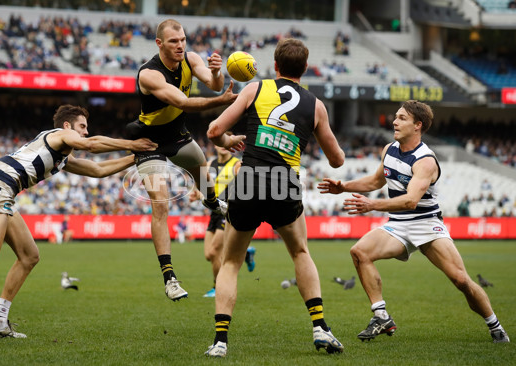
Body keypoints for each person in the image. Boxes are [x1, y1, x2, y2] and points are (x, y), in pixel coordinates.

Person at [0, 104, 158, 344]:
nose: (85, 132)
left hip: (3, 189)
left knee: (29, 256)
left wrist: (137, 157)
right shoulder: (59, 135)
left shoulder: (62, 156)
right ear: (67, 126)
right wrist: (131, 144)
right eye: (82, 127)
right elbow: (92, 145)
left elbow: (97, 169)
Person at [318, 100, 510, 344]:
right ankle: (381, 315)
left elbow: (410, 201)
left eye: (401, 118)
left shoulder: (425, 160)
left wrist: (372, 205)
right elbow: (377, 181)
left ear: (417, 125)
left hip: (426, 224)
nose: (394, 121)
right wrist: (343, 187)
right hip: (398, 225)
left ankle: (495, 326)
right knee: (359, 252)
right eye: (395, 116)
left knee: (461, 280)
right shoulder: (389, 149)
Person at [204, 38, 346, 357]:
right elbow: (337, 160)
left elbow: (214, 131)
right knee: (299, 252)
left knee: (230, 262)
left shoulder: (255, 89)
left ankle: (220, 342)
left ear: (276, 66)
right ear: (305, 69)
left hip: (249, 178)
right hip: (285, 182)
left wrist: (231, 139)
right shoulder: (317, 106)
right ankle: (320, 327)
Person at [126, 18, 237, 302]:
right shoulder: (149, 74)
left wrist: (217, 73)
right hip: (148, 143)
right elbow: (184, 103)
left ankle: (213, 203)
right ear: (159, 43)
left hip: (178, 137)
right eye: (174, 41)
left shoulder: (191, 59)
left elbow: (214, 84)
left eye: (183, 40)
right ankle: (170, 278)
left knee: (205, 179)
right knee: (160, 204)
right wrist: (223, 101)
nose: (181, 45)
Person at [189, 144, 256, 298]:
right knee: (209, 255)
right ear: (215, 145)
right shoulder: (211, 163)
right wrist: (197, 194)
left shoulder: (237, 164)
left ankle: (217, 288)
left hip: (228, 211)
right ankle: (245, 253)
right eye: (221, 143)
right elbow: (205, 184)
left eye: (228, 144)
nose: (224, 146)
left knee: (214, 252)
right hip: (214, 211)